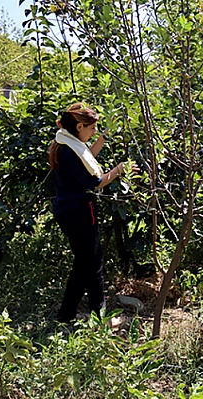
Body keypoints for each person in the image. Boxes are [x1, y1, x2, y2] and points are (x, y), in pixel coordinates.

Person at [47, 102, 136, 323]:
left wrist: (103, 137)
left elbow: (87, 156)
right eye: (92, 128)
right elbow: (94, 183)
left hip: (67, 210)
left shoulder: (66, 142)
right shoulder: (68, 151)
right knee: (94, 265)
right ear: (79, 126)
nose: (94, 131)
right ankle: (101, 318)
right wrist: (118, 171)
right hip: (79, 213)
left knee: (82, 263)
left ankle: (65, 315)